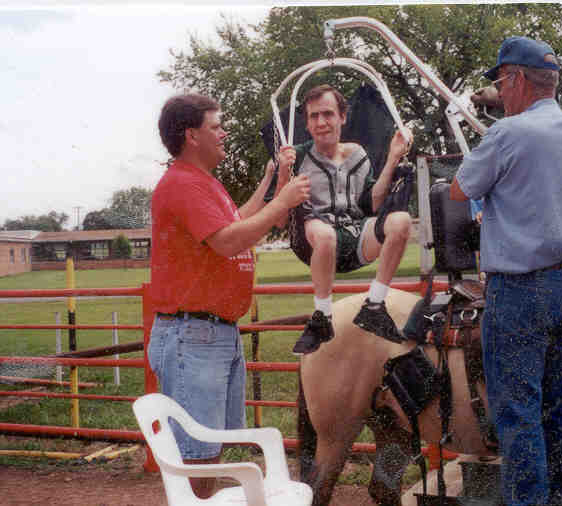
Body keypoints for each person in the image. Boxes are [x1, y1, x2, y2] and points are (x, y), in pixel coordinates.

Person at [450, 37, 562, 506]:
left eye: (500, 82)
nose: (498, 92)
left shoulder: (507, 134)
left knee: (518, 412)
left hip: (521, 290)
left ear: (516, 78)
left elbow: (459, 189)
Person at [148, 93, 310, 498]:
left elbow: (240, 221)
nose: (224, 132)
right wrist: (283, 201)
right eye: (216, 125)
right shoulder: (184, 183)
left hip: (210, 334)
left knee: (209, 449)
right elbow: (225, 240)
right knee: (198, 456)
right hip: (195, 336)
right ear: (192, 135)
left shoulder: (202, 183)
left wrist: (275, 183)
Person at [278, 84, 414, 355]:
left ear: (342, 117)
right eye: (314, 116)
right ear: (306, 123)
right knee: (326, 235)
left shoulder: (358, 154)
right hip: (314, 241)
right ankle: (322, 317)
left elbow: (373, 203)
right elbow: (281, 221)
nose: (321, 122)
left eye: (328, 114)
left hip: (355, 240)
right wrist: (283, 172)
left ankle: (375, 305)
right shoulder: (297, 157)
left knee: (401, 221)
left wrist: (393, 159)